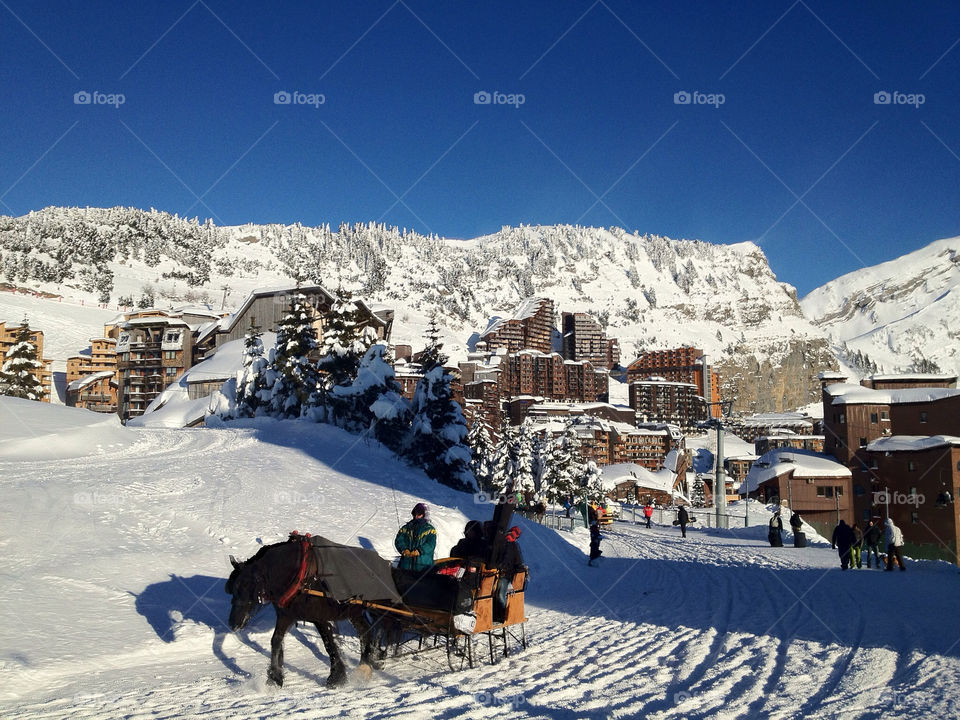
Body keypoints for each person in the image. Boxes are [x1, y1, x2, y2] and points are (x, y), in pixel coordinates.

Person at [494, 525, 525, 621]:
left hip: (506, 574)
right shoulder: (503, 543)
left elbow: (517, 562)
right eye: (510, 533)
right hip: (498, 572)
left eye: (513, 535)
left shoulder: (514, 546)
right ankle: (497, 613)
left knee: (500, 594)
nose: (510, 536)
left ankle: (503, 614)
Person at [395, 503, 437, 572]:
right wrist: (404, 549)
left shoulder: (430, 529)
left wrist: (419, 551)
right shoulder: (406, 528)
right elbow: (399, 540)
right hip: (406, 567)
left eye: (419, 514)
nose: (416, 516)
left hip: (423, 568)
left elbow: (430, 544)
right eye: (415, 514)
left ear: (424, 515)